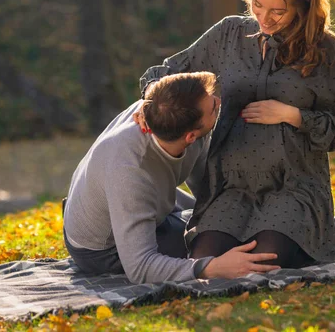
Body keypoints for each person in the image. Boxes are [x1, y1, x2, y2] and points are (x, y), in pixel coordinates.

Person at [138, 0, 335, 269]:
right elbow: (165, 73)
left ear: (303, 5)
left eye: (278, 11)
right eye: (257, 4)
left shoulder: (326, 50)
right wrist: (150, 102)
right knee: (205, 262)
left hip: (293, 188)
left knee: (261, 262)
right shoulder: (228, 34)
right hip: (229, 187)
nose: (264, 19)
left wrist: (291, 115)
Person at [63, 72, 280, 284]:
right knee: (214, 245)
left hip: (148, 204)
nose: (219, 101)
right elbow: (139, 268)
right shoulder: (130, 171)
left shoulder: (165, 108)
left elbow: (205, 187)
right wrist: (212, 267)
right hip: (102, 249)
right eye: (214, 107)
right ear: (190, 136)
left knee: (229, 227)